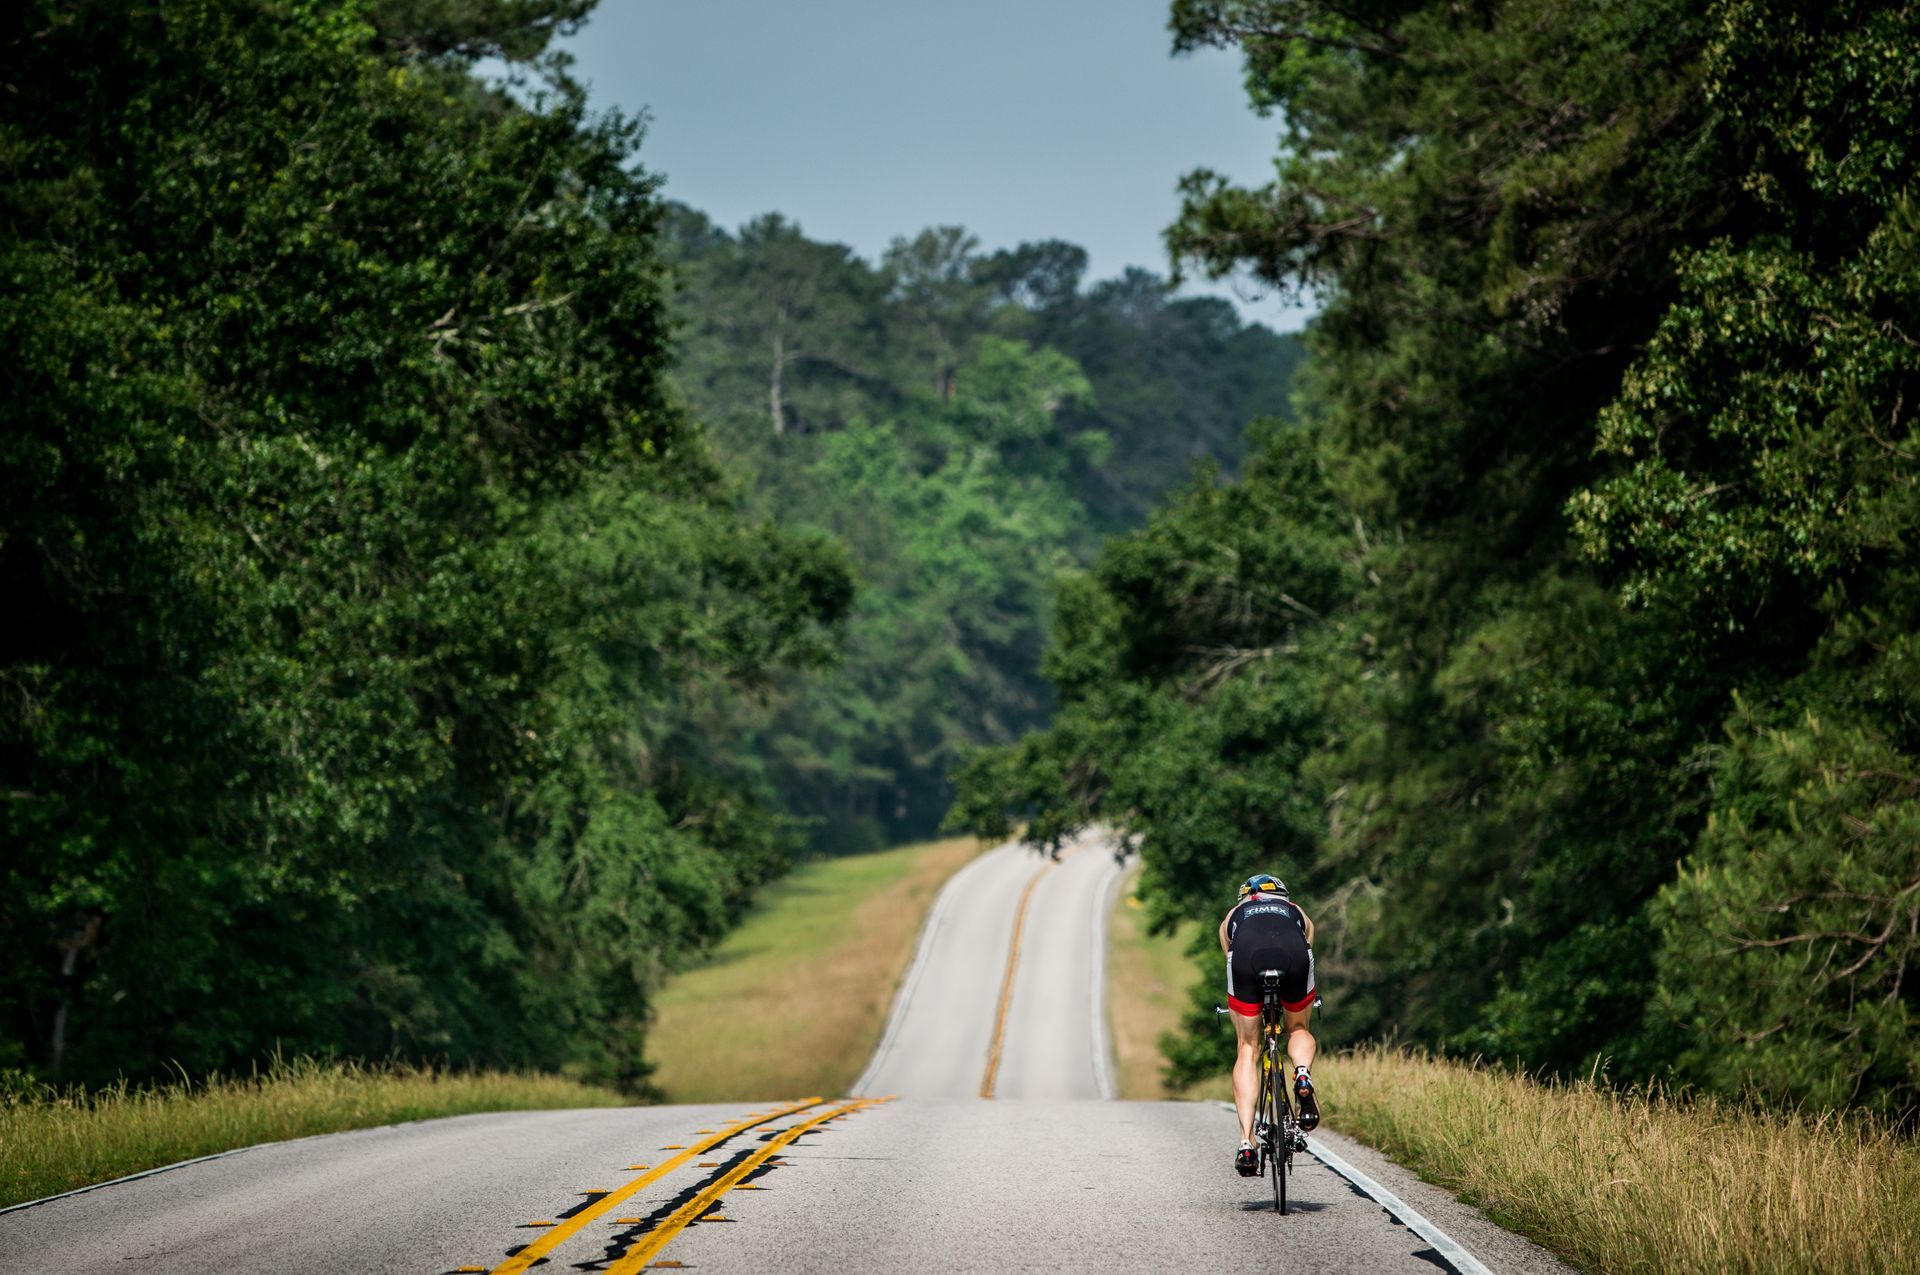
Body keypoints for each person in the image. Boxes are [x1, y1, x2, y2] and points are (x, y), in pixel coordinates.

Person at [1219, 872, 1318, 1177]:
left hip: (1247, 955)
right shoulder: (1296, 911)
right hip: (1293, 952)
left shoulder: (1234, 915)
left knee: (1248, 1047)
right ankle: (1301, 1075)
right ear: (1283, 896)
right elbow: (1308, 944)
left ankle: (1247, 1142)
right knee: (1298, 1028)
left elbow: (1229, 953)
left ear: (1245, 897)